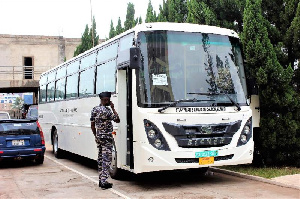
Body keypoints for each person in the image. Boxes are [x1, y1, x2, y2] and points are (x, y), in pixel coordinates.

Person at [90, 91, 120, 190]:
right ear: (106, 100)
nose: (109, 101)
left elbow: (92, 125)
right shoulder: (107, 111)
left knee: (100, 158)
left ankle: (100, 180)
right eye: (108, 100)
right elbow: (117, 119)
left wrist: (96, 136)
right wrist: (113, 108)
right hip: (107, 138)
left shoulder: (95, 109)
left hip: (99, 137)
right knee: (107, 159)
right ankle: (103, 182)